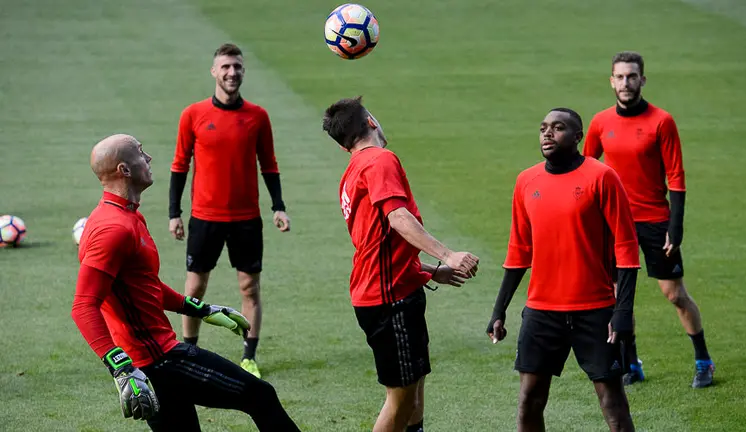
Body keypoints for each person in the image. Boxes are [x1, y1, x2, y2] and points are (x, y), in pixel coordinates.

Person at [72, 134, 301, 431]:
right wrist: (122, 368)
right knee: (261, 396)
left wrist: (202, 310)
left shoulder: (127, 217)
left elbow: (145, 286)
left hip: (150, 362)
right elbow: (83, 305)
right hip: (158, 361)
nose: (149, 158)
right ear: (124, 170)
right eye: (141, 153)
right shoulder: (112, 230)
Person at [322, 96, 480, 432]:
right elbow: (397, 218)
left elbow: (378, 242)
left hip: (393, 289)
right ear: (370, 122)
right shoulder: (379, 161)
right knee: (400, 399)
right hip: (387, 299)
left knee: (415, 386)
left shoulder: (353, 170)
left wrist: (428, 271)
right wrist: (447, 254)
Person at [487, 108, 639, 432]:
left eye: (558, 128)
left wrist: (623, 311)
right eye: (543, 128)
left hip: (595, 311)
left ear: (578, 137)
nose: (547, 134)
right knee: (529, 401)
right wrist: (499, 310)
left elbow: (626, 248)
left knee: (613, 403)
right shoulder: (526, 181)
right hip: (542, 313)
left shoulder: (602, 177)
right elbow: (519, 251)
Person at [583, 51, 714, 388]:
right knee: (618, 296)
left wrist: (676, 226)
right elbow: (585, 171)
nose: (626, 83)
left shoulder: (661, 121)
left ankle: (703, 361)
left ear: (642, 79)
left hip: (655, 220)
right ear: (611, 81)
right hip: (614, 223)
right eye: (620, 77)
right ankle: (631, 364)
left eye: (632, 76)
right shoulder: (600, 123)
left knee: (674, 294)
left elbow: (677, 177)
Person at [169, 43, 290, 378]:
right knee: (194, 289)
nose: (232, 73)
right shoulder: (192, 115)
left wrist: (278, 206)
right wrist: (174, 213)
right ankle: (189, 351)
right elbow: (179, 166)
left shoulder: (258, 116)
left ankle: (248, 357)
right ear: (214, 72)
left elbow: (269, 165)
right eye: (225, 67)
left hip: (247, 220)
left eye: (237, 67)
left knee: (249, 288)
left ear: (243, 71)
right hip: (204, 218)